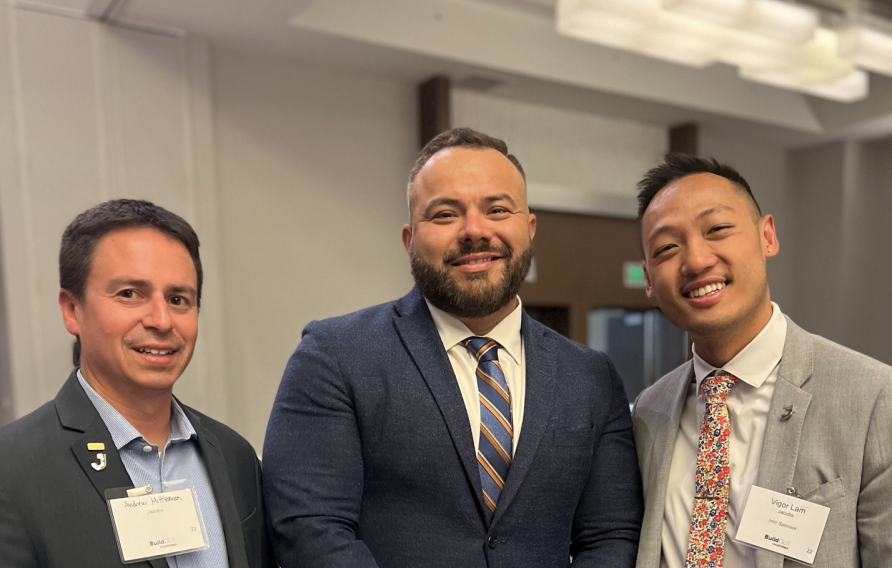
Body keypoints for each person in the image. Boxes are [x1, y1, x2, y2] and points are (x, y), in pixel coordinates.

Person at [263, 128, 643, 568]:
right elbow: (311, 530)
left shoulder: (591, 376)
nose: (475, 231)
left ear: (529, 229)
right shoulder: (334, 357)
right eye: (445, 215)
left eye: (497, 209)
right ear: (410, 241)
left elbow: (611, 535)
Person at [632, 154, 892, 568]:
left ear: (767, 236)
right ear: (648, 280)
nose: (696, 260)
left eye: (717, 229)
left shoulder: (874, 397)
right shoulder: (650, 410)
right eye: (667, 248)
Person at [0, 200, 274, 568]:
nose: (162, 320)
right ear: (71, 309)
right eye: (130, 294)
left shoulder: (235, 456)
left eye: (178, 299)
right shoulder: (12, 469)